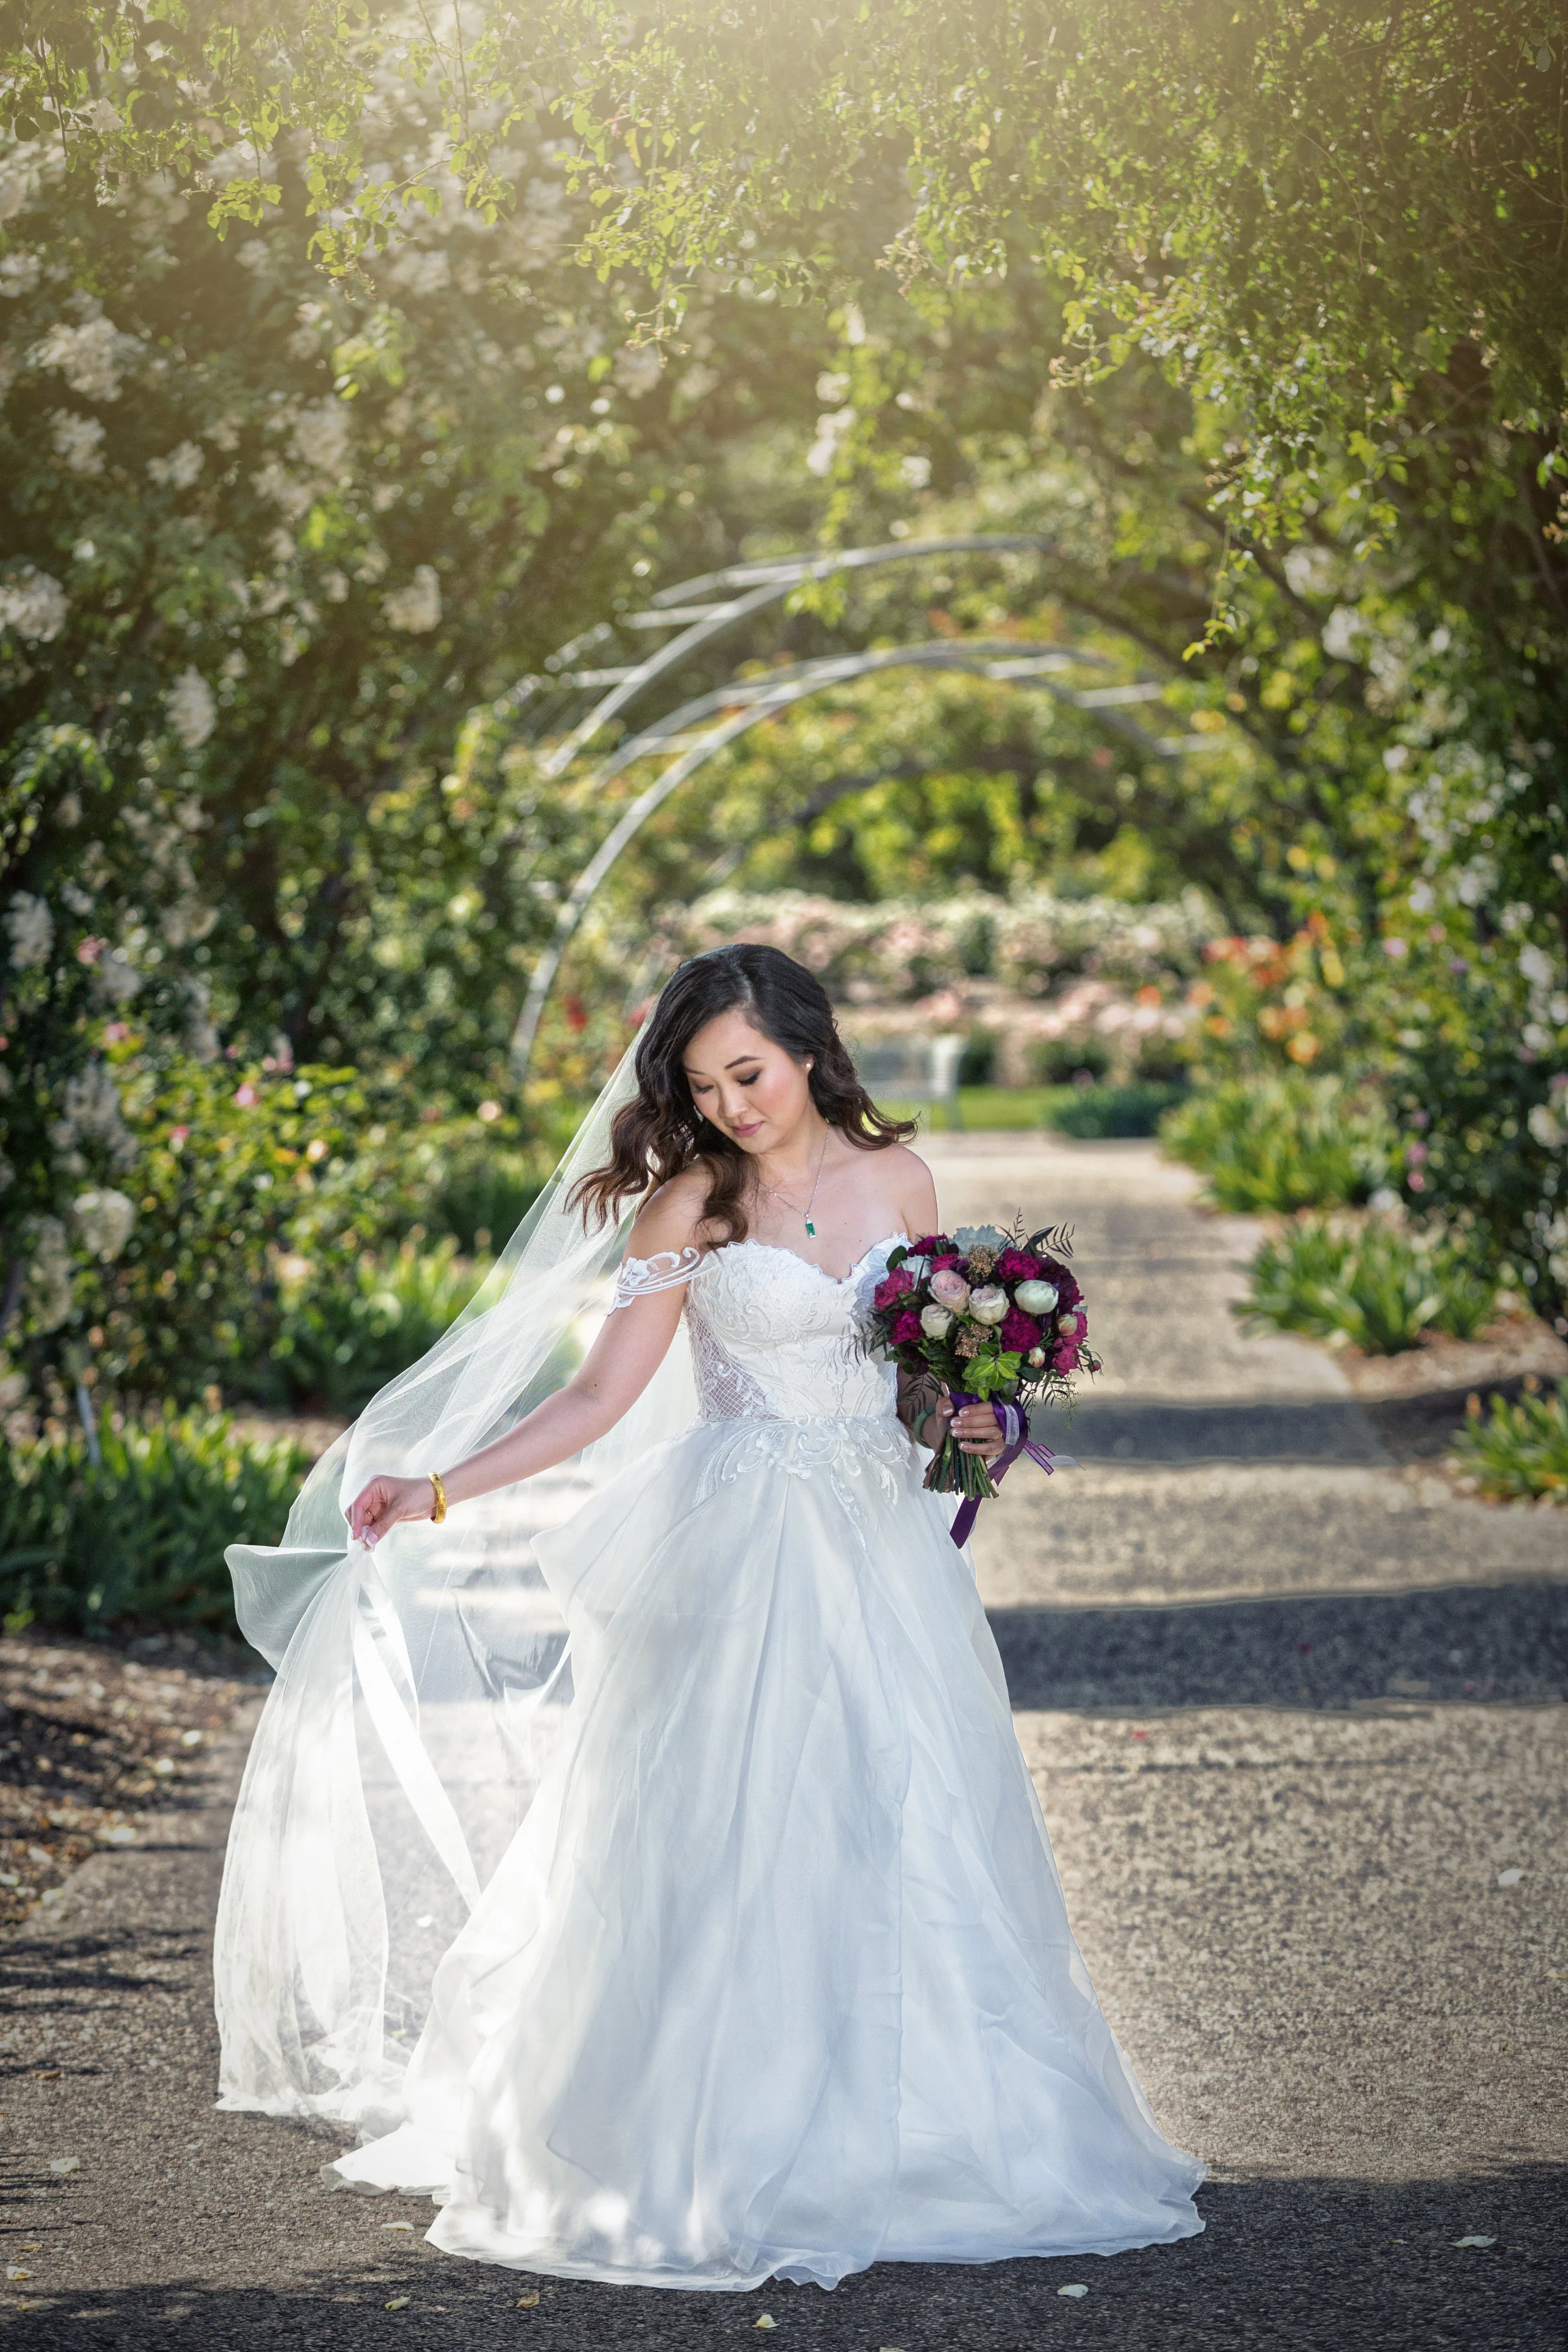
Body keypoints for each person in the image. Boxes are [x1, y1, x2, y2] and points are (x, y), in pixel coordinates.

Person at [216, 944, 1204, 2290]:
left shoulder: (902, 1184)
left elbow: (922, 1398)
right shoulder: (686, 1205)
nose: (734, 1103)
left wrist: (976, 1419)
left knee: (898, 1810)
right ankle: (708, 2130)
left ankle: (921, 2131)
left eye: (750, 1071)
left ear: (807, 1049)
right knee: (727, 1822)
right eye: (704, 1083)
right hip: (740, 1546)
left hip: (883, 1550)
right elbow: (594, 1401)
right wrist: (434, 1487)